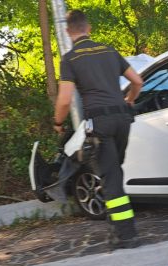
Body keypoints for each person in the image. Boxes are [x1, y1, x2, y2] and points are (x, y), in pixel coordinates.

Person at [53, 10, 143, 249]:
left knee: (111, 177)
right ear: (88, 28)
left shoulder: (70, 59)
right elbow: (137, 81)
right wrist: (130, 100)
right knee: (114, 173)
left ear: (67, 31)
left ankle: (127, 234)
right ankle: (119, 224)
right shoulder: (109, 50)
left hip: (100, 124)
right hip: (122, 120)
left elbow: (64, 100)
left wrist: (58, 123)